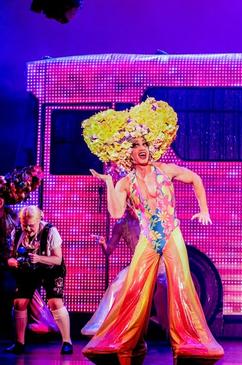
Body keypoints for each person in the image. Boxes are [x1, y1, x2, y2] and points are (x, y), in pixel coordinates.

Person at [81, 98, 223, 364]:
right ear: (129, 154)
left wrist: (204, 209)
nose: (142, 149)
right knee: (134, 287)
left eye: (144, 144)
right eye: (136, 146)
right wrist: (109, 182)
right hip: (148, 238)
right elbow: (114, 212)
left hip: (172, 233)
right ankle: (126, 342)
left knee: (182, 286)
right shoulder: (125, 182)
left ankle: (189, 344)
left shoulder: (166, 170)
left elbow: (195, 179)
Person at [81, 207, 168, 336]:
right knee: (116, 285)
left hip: (157, 262)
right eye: (128, 205)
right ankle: (102, 325)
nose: (131, 208)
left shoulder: (149, 219)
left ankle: (169, 327)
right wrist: (103, 243)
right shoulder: (121, 224)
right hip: (139, 264)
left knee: (166, 287)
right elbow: (109, 250)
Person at [5, 205, 73, 355]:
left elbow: (57, 259)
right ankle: (19, 343)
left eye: (31, 225)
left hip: (50, 267)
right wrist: (12, 261)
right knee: (19, 302)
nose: (27, 229)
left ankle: (67, 341)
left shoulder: (50, 231)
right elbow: (11, 255)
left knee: (55, 302)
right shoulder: (16, 233)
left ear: (39, 220)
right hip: (29, 268)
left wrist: (39, 258)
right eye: (24, 225)